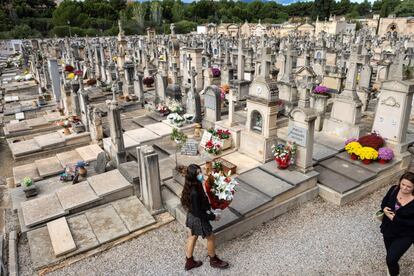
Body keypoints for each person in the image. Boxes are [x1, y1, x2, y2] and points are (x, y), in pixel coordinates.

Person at [180, 164, 229, 271]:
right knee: (210, 237)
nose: (201, 174)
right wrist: (212, 216)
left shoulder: (192, 186)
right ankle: (213, 260)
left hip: (191, 216)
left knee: (192, 236)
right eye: (198, 173)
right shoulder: (195, 192)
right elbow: (199, 213)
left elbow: (197, 206)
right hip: (198, 219)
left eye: (200, 171)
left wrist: (210, 205)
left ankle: (189, 262)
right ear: (193, 176)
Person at [380, 172, 414, 276]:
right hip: (388, 230)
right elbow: (384, 202)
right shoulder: (394, 189)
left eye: (409, 187)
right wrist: (384, 208)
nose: (404, 188)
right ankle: (391, 267)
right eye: (403, 184)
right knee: (390, 256)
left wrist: (395, 219)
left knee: (390, 259)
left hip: (405, 234)